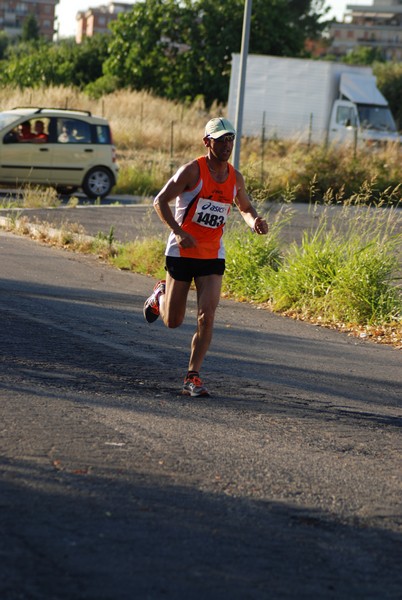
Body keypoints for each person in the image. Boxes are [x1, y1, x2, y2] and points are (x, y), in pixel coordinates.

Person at [143, 117, 268, 397]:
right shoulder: (192, 171)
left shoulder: (235, 177)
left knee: (206, 316)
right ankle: (160, 295)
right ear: (207, 142)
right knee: (172, 321)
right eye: (221, 139)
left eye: (231, 139)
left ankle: (193, 376)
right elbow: (159, 201)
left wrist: (255, 221)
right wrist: (177, 231)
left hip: (212, 255)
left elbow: (245, 207)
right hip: (182, 251)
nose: (227, 145)